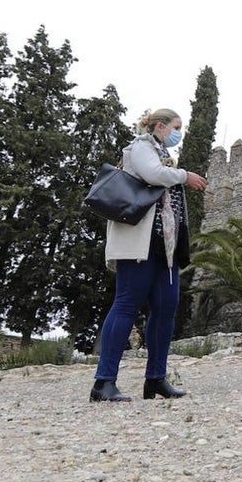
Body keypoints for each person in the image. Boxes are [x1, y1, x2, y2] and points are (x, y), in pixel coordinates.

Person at [89, 108, 207, 403]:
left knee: (167, 307)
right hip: (137, 243)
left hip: (165, 248)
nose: (180, 132)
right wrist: (184, 176)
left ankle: (155, 379)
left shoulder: (165, 156)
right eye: (176, 127)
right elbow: (152, 175)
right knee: (126, 305)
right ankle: (104, 382)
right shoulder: (140, 147)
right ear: (159, 126)